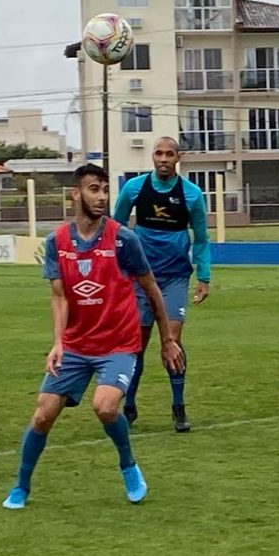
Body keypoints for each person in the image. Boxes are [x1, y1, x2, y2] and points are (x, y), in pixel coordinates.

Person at [2, 164, 183, 510]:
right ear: (76, 194)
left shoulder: (124, 239)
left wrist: (167, 339)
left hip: (118, 343)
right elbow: (59, 296)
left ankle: (128, 464)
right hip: (75, 345)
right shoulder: (57, 241)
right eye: (93, 189)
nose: (101, 197)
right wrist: (58, 342)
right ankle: (21, 487)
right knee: (42, 415)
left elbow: (151, 289)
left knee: (104, 407)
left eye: (104, 190)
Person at [112, 136, 211, 432]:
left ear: (178, 158)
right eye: (159, 153)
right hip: (140, 279)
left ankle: (178, 406)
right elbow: (115, 230)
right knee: (137, 345)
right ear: (152, 157)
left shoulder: (192, 194)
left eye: (169, 153)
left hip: (175, 278)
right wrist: (114, 270)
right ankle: (129, 405)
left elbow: (202, 238)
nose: (164, 158)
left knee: (173, 341)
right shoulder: (134, 188)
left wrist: (204, 276)